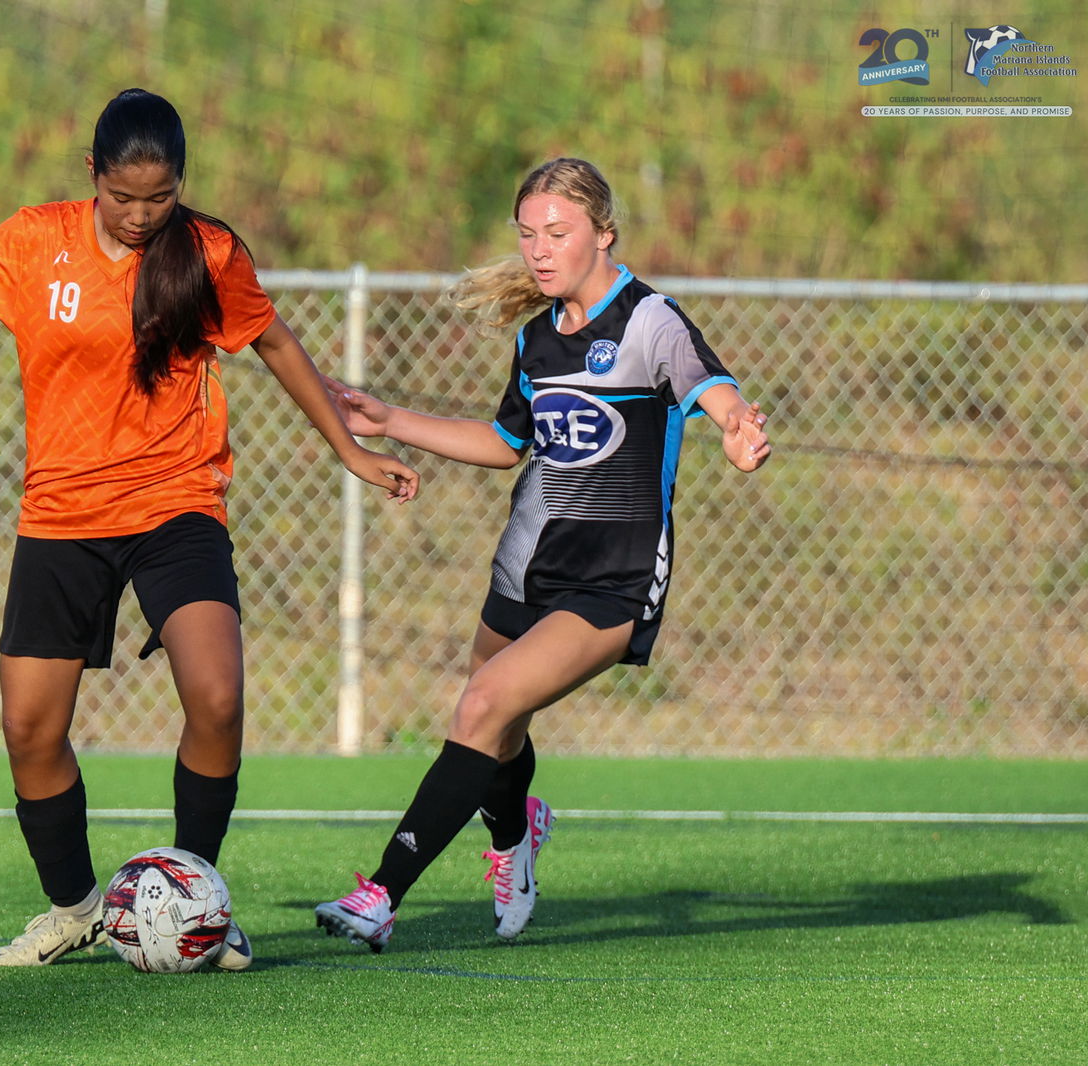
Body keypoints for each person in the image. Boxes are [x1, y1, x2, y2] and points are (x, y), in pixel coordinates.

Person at [0, 88, 418, 971]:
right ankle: (73, 908)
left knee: (218, 697)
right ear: (93, 176)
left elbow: (274, 343)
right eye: (124, 197)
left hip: (175, 502)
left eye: (161, 197)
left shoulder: (208, 252)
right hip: (62, 515)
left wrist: (348, 449)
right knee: (30, 731)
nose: (144, 214)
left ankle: (200, 897)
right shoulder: (37, 241)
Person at [313, 157, 770, 951]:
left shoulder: (649, 322)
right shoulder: (536, 340)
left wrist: (736, 426)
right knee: (500, 726)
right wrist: (389, 418)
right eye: (528, 235)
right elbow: (502, 443)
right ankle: (515, 837)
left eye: (557, 233)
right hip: (524, 565)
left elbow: (712, 390)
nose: (539, 250)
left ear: (603, 233)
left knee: (483, 706)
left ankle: (380, 895)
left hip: (612, 582)